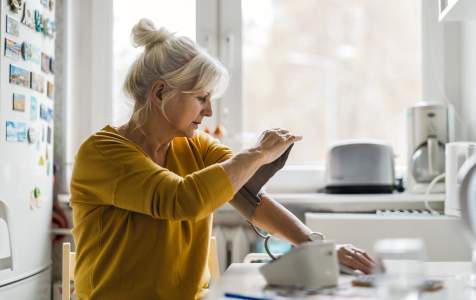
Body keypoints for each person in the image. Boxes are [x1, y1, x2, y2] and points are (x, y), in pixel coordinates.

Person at [70, 18, 375, 300]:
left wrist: (318, 248)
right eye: (201, 98)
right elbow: (180, 200)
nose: (208, 112)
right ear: (160, 92)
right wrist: (257, 153)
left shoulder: (196, 148)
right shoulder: (103, 153)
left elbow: (246, 193)